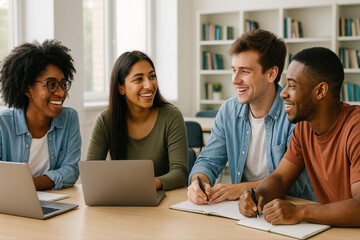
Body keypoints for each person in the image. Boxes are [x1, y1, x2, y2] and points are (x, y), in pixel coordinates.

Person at [187, 29, 315, 204]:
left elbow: (294, 183)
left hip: (290, 209)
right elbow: (208, 160)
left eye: (245, 72)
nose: (235, 80)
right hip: (245, 210)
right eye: (233, 70)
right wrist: (198, 183)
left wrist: (240, 189)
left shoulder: (296, 114)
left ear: (271, 74)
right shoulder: (228, 111)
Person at [238, 47, 360, 227]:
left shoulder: (355, 129)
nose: (283, 93)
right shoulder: (303, 128)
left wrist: (299, 212)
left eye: (292, 86)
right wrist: (257, 195)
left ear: (320, 91)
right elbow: (280, 178)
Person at [86, 50, 188, 191]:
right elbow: (91, 173)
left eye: (152, 76)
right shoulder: (105, 120)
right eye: (138, 79)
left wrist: (147, 185)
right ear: (121, 88)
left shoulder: (171, 116)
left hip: (161, 199)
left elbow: (180, 173)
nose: (149, 85)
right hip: (120, 198)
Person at [0, 39, 81, 190]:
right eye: (51, 84)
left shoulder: (69, 118)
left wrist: (27, 185)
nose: (61, 92)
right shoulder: (3, 125)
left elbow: (71, 171)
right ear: (27, 88)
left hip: (55, 202)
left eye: (63, 84)